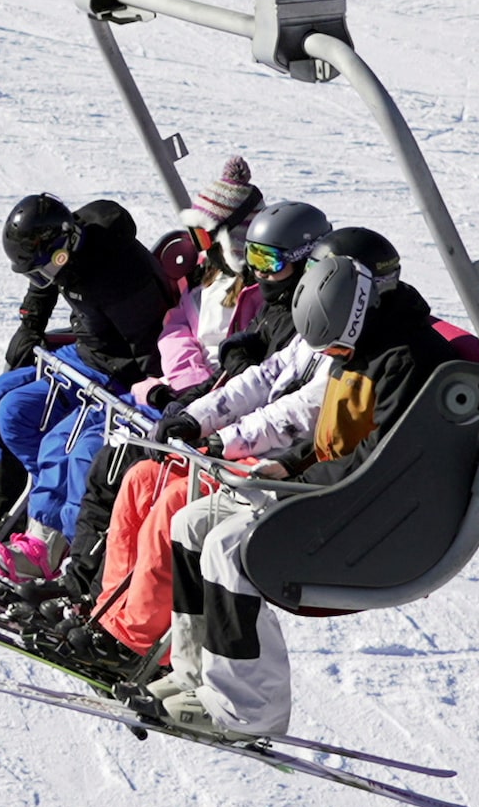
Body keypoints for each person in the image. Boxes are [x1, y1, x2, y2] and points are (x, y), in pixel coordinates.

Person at [154, 228, 460, 738]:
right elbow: (329, 438)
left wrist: (299, 476)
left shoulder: (402, 358)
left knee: (229, 548)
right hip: (325, 489)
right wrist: (290, 466)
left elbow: (379, 461)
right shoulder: (358, 343)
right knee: (192, 524)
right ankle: (194, 676)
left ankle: (250, 711)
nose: (331, 353)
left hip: (362, 509)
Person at [67, 201, 336, 661]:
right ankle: (108, 614)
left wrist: (219, 438)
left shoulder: (340, 343)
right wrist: (196, 417)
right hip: (238, 444)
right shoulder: (304, 327)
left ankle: (135, 639)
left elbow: (294, 414)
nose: (260, 275)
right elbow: (261, 379)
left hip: (274, 466)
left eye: (269, 264)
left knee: (174, 504)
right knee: (140, 480)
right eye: (253, 262)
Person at [9, 159, 270, 574]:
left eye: (205, 234)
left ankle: (74, 561)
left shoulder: (255, 297)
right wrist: (176, 381)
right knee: (59, 441)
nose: (198, 243)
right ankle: (39, 541)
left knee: (90, 457)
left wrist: (193, 390)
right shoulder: (207, 280)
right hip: (162, 390)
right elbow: (175, 328)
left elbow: (241, 361)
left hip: (199, 407)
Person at [0, 194, 170, 551]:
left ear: (68, 244)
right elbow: (42, 282)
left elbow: (149, 346)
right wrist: (30, 325)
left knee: (59, 445)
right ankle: (1, 512)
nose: (45, 277)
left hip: (118, 372)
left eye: (47, 268)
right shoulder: (61, 249)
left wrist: (151, 394)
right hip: (84, 354)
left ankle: (59, 530)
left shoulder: (119, 274)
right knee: (0, 402)